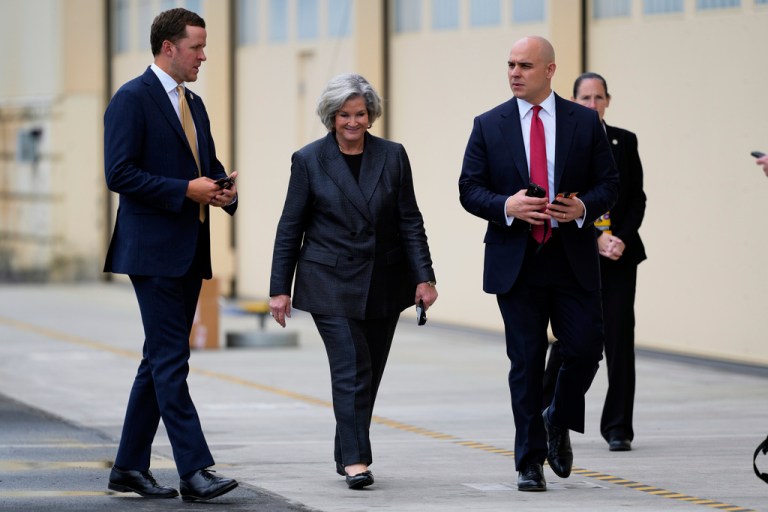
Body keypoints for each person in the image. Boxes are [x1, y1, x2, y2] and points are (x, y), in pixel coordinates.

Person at [458, 36, 618, 492]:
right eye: (510, 64)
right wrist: (507, 205)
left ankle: (558, 416)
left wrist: (583, 207)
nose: (514, 73)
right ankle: (529, 462)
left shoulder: (584, 122)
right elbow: (469, 188)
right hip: (517, 261)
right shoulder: (489, 124)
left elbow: (609, 183)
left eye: (525, 65)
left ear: (549, 71)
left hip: (571, 259)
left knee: (587, 348)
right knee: (526, 363)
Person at [268, 73, 438, 490]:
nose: (352, 122)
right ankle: (357, 461)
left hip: (384, 280)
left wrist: (424, 277)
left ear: (371, 115)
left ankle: (346, 446)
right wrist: (279, 288)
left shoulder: (393, 155)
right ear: (331, 116)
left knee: (370, 373)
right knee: (352, 368)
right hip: (329, 281)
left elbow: (409, 221)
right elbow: (291, 226)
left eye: (360, 113)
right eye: (344, 114)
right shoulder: (309, 160)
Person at [103, 8, 238, 502]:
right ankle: (194, 470)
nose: (204, 56)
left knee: (157, 361)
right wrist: (186, 189)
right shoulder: (131, 100)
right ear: (168, 48)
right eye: (197, 47)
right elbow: (119, 174)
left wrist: (222, 190)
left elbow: (206, 165)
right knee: (170, 360)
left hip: (188, 250)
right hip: (152, 252)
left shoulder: (194, 103)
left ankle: (127, 468)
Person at [543, 72, 647, 452]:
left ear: (608, 100)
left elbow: (635, 198)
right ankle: (548, 409)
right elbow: (562, 198)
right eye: (585, 98)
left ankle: (618, 426)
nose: (592, 104)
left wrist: (621, 237)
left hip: (620, 255)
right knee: (573, 339)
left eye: (598, 97)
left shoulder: (624, 140)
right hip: (579, 252)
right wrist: (597, 235)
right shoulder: (565, 141)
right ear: (573, 102)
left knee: (620, 340)